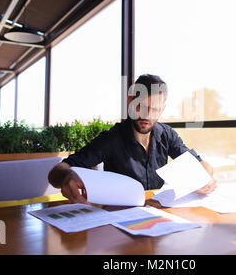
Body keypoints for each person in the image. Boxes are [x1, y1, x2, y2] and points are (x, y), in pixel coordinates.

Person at [48, 74, 217, 204]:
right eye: (142, 107)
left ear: (162, 109)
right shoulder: (111, 139)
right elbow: (56, 172)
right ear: (131, 101)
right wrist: (67, 175)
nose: (147, 115)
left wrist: (204, 178)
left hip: (158, 214)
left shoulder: (167, 135)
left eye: (155, 110)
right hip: (120, 218)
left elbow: (201, 165)